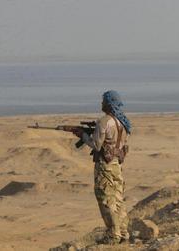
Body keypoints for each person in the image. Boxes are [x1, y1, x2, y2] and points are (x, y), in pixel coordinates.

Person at [73, 90, 132, 244]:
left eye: (104, 101)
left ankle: (113, 234)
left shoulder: (104, 121)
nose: (101, 104)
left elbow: (96, 145)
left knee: (105, 197)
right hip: (116, 165)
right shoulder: (122, 122)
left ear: (109, 103)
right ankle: (123, 232)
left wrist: (83, 136)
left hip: (105, 165)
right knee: (118, 198)